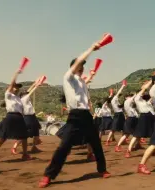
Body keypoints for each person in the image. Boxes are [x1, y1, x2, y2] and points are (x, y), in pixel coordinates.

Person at [38, 41, 110, 188]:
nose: (82, 68)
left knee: (96, 144)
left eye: (83, 67)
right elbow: (78, 63)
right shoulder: (68, 77)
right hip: (75, 116)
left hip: (86, 115)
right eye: (80, 66)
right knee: (64, 146)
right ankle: (48, 175)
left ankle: (102, 170)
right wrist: (91, 48)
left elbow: (84, 82)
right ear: (74, 67)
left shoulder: (81, 81)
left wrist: (90, 75)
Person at [0, 67, 32, 164]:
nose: (16, 88)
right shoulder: (8, 95)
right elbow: (11, 84)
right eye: (15, 86)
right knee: (2, 138)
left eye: (18, 87)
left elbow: (28, 93)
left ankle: (25, 154)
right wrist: (16, 74)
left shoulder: (18, 98)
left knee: (24, 137)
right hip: (10, 117)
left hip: (19, 118)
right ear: (10, 87)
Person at [12, 80, 43, 153]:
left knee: (36, 133)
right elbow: (30, 92)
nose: (27, 94)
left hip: (33, 117)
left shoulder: (26, 99)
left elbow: (29, 91)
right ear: (23, 95)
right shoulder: (23, 99)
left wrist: (34, 83)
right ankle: (15, 146)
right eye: (26, 94)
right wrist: (37, 85)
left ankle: (34, 147)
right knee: (26, 133)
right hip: (28, 118)